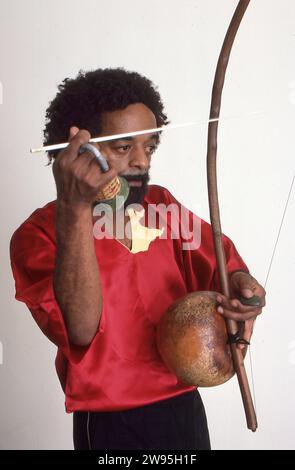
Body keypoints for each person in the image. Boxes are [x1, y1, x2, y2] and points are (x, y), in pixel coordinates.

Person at [10, 68, 265, 450]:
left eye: (149, 146)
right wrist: (75, 208)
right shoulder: (39, 233)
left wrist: (246, 293)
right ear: (79, 147)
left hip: (184, 410)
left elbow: (225, 265)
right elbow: (79, 330)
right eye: (124, 147)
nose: (142, 162)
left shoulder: (161, 205)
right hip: (113, 425)